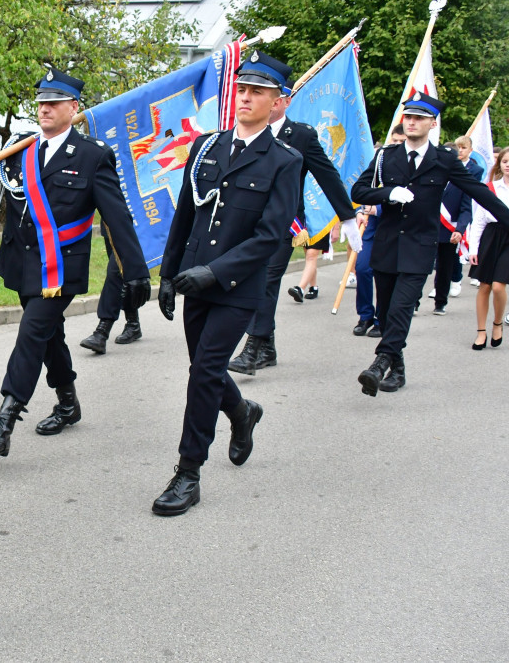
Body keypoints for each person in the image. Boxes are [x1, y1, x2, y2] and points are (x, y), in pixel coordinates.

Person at [0, 67, 149, 457]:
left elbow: (117, 218)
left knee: (32, 333)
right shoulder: (20, 149)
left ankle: (4, 419)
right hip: (21, 262)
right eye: (40, 103)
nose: (44, 109)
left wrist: (136, 272)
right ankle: (67, 403)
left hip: (61, 267)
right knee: (49, 335)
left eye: (53, 102)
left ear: (74, 107)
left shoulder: (93, 155)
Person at [154, 51, 302, 516]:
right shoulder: (207, 146)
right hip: (194, 280)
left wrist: (215, 272)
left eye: (257, 91)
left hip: (237, 288)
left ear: (278, 100)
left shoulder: (283, 160)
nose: (246, 98)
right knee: (208, 369)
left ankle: (188, 473)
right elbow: (186, 213)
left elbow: (270, 235)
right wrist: (167, 274)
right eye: (241, 89)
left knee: (202, 374)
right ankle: (242, 412)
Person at [351, 93, 509, 395]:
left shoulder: (444, 160)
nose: (411, 122)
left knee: (401, 308)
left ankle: (381, 362)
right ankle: (397, 369)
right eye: (408, 116)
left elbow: (480, 192)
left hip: (419, 247)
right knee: (385, 312)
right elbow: (358, 190)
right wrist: (388, 194)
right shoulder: (386, 156)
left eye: (419, 117)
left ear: (432, 123)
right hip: (387, 246)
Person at [228, 79, 359, 374]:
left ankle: (252, 349)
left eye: (277, 98)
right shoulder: (243, 132)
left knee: (266, 282)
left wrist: (347, 216)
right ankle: (268, 347)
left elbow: (327, 175)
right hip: (245, 223)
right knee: (252, 282)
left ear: (284, 101)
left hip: (284, 224)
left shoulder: (300, 135)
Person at [353, 126, 407, 337]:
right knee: (363, 268)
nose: (397, 145)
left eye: (402, 141)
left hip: (393, 228)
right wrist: (360, 209)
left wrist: (378, 208)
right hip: (371, 227)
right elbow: (365, 187)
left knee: (386, 275)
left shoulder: (411, 166)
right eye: (394, 140)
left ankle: (381, 319)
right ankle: (365, 315)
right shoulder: (381, 159)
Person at [430, 135, 483, 314]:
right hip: (428, 227)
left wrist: (460, 229)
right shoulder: (431, 177)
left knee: (444, 268)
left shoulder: (461, 181)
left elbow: (466, 208)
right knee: (420, 267)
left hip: (448, 229)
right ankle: (413, 302)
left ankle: (440, 302)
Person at [79, 224, 144, 354]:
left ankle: (102, 331)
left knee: (116, 270)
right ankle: (133, 322)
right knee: (123, 274)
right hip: (110, 223)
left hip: (135, 220)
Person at [467, 148, 509, 349]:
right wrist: (473, 248)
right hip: (490, 237)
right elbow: (479, 221)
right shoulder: (490, 188)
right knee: (484, 286)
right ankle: (481, 331)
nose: (508, 165)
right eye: (505, 161)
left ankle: (498, 323)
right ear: (499, 164)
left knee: (499, 286)